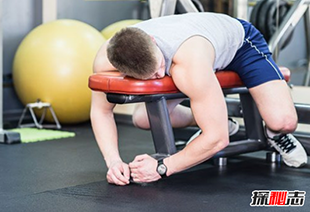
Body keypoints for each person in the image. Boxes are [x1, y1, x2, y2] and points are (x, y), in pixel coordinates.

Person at [90, 12, 308, 186]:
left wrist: (161, 168)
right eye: (149, 76)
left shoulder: (189, 62)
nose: (158, 76)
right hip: (197, 54)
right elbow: (101, 111)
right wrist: (113, 162)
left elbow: (217, 139)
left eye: (158, 67)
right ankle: (219, 121)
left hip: (240, 45)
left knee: (284, 122)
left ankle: (273, 134)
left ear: (153, 41)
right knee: (144, 119)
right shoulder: (107, 58)